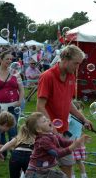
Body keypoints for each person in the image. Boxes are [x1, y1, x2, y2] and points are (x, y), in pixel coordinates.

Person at [36, 45, 93, 178]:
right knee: (41, 168)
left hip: (64, 131)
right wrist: (50, 128)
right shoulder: (47, 76)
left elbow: (68, 103)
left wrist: (83, 119)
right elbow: (40, 106)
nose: (77, 67)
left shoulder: (71, 77)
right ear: (64, 59)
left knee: (68, 164)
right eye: (76, 63)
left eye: (79, 63)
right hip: (46, 133)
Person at [24, 112, 90, 178]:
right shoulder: (43, 140)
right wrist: (73, 146)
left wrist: (77, 142)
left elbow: (64, 143)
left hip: (46, 169)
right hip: (36, 172)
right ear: (39, 129)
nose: (48, 120)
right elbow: (57, 153)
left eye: (46, 119)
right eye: (44, 121)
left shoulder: (52, 135)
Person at [0, 50, 24, 156]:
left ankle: (15, 153)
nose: (9, 61)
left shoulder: (15, 72)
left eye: (11, 59)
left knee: (12, 129)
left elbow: (21, 89)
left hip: (13, 106)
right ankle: (1, 154)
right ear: (0, 59)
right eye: (7, 59)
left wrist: (19, 101)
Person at [0, 113, 37, 178]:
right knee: (30, 176)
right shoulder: (35, 139)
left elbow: (8, 143)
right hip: (29, 157)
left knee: (14, 175)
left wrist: (1, 150)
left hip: (15, 156)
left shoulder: (18, 138)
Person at [69, 101, 88, 178]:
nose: (81, 111)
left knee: (79, 161)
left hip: (78, 143)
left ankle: (84, 175)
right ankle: (72, 176)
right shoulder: (70, 118)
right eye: (80, 109)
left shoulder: (80, 120)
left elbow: (82, 129)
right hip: (71, 143)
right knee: (71, 162)